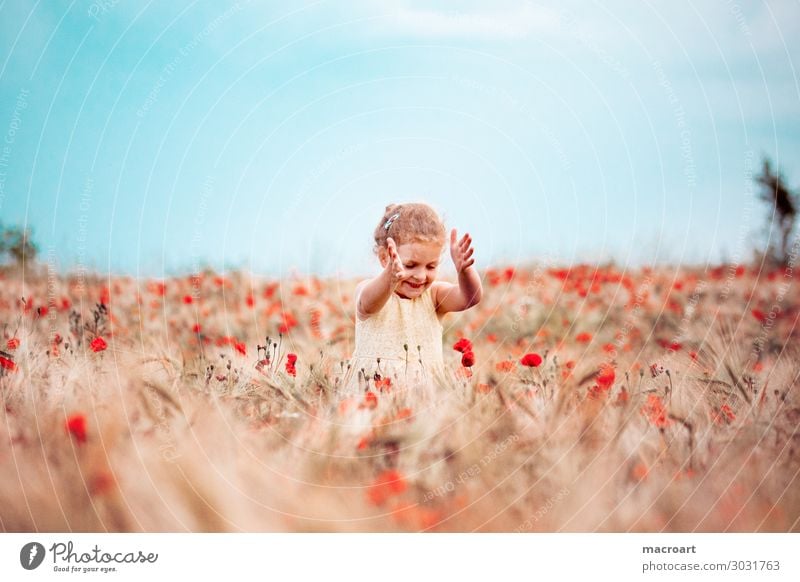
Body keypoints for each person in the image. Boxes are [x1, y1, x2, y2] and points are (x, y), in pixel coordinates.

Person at [340, 202, 483, 398]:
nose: (420, 276)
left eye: (431, 266)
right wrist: (390, 277)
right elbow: (368, 303)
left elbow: (470, 298)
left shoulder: (434, 295)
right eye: (410, 265)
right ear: (384, 258)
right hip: (372, 397)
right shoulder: (368, 290)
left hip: (424, 399)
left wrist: (464, 271)